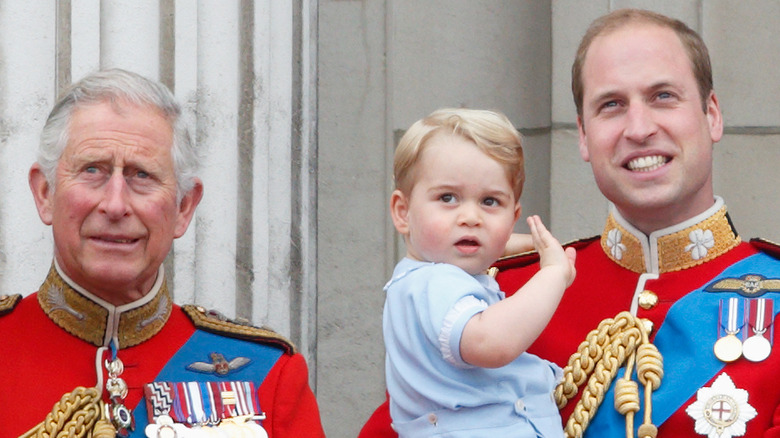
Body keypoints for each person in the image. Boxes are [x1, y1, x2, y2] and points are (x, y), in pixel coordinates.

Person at [360, 8, 780, 438]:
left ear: (711, 114)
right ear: (583, 134)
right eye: (611, 105)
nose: (638, 128)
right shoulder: (501, 292)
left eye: (663, 96)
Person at [0, 69, 325, 437]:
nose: (116, 203)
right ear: (45, 194)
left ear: (184, 207)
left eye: (142, 175)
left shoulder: (267, 375)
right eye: (92, 170)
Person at [383, 108, 576, 437]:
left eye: (489, 202)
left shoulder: (420, 276)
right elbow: (491, 343)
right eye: (448, 198)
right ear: (403, 213)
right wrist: (554, 273)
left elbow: (479, 243)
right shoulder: (435, 282)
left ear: (512, 216)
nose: (471, 217)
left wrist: (522, 243)